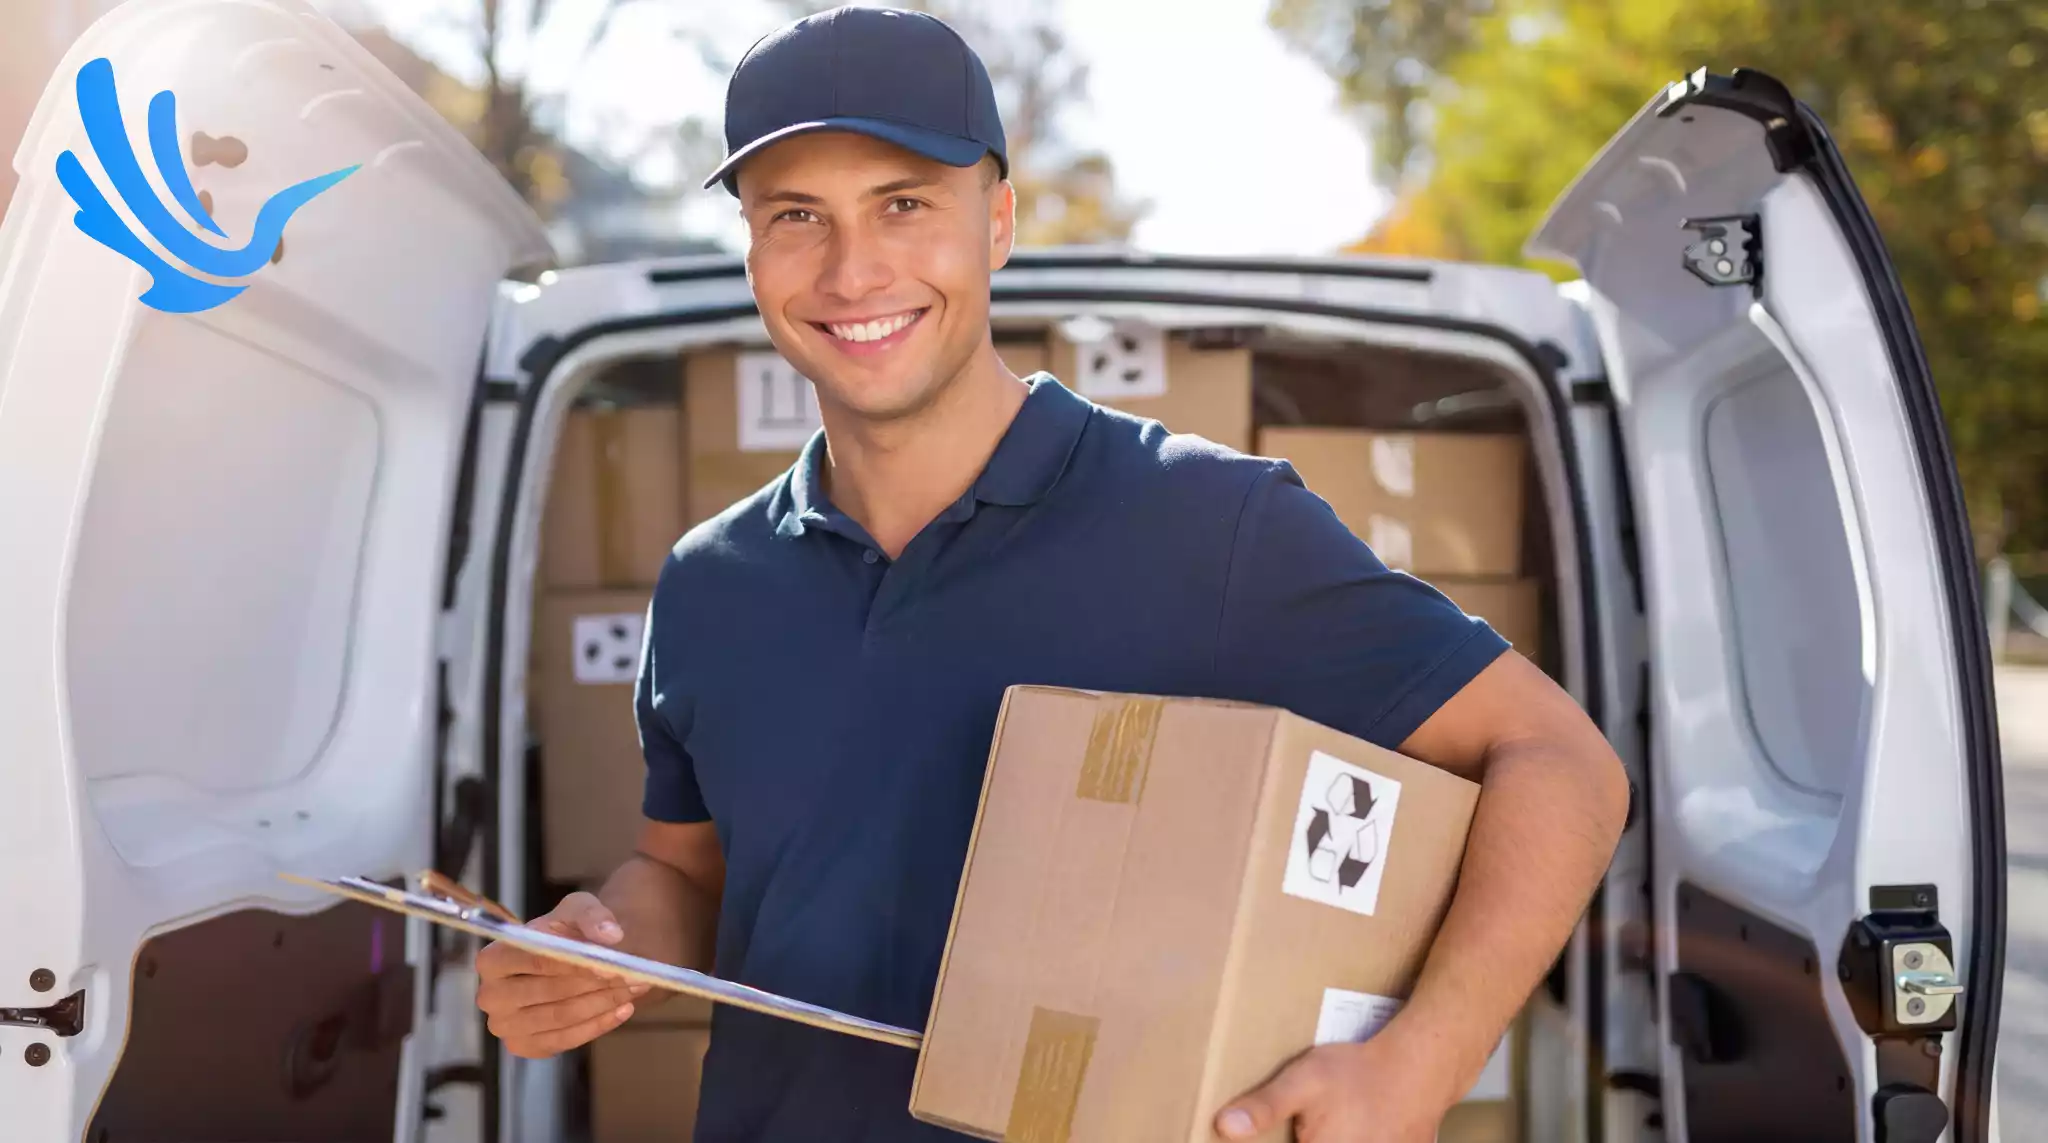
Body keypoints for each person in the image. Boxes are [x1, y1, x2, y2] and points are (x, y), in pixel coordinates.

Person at [474, 6, 1630, 1141]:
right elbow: (689, 873)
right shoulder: (708, 582)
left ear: (999, 223)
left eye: (904, 204)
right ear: (752, 247)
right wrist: (602, 948)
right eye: (795, 216)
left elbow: (1558, 763)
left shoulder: (1208, 524)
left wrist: (1414, 1070)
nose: (851, 268)